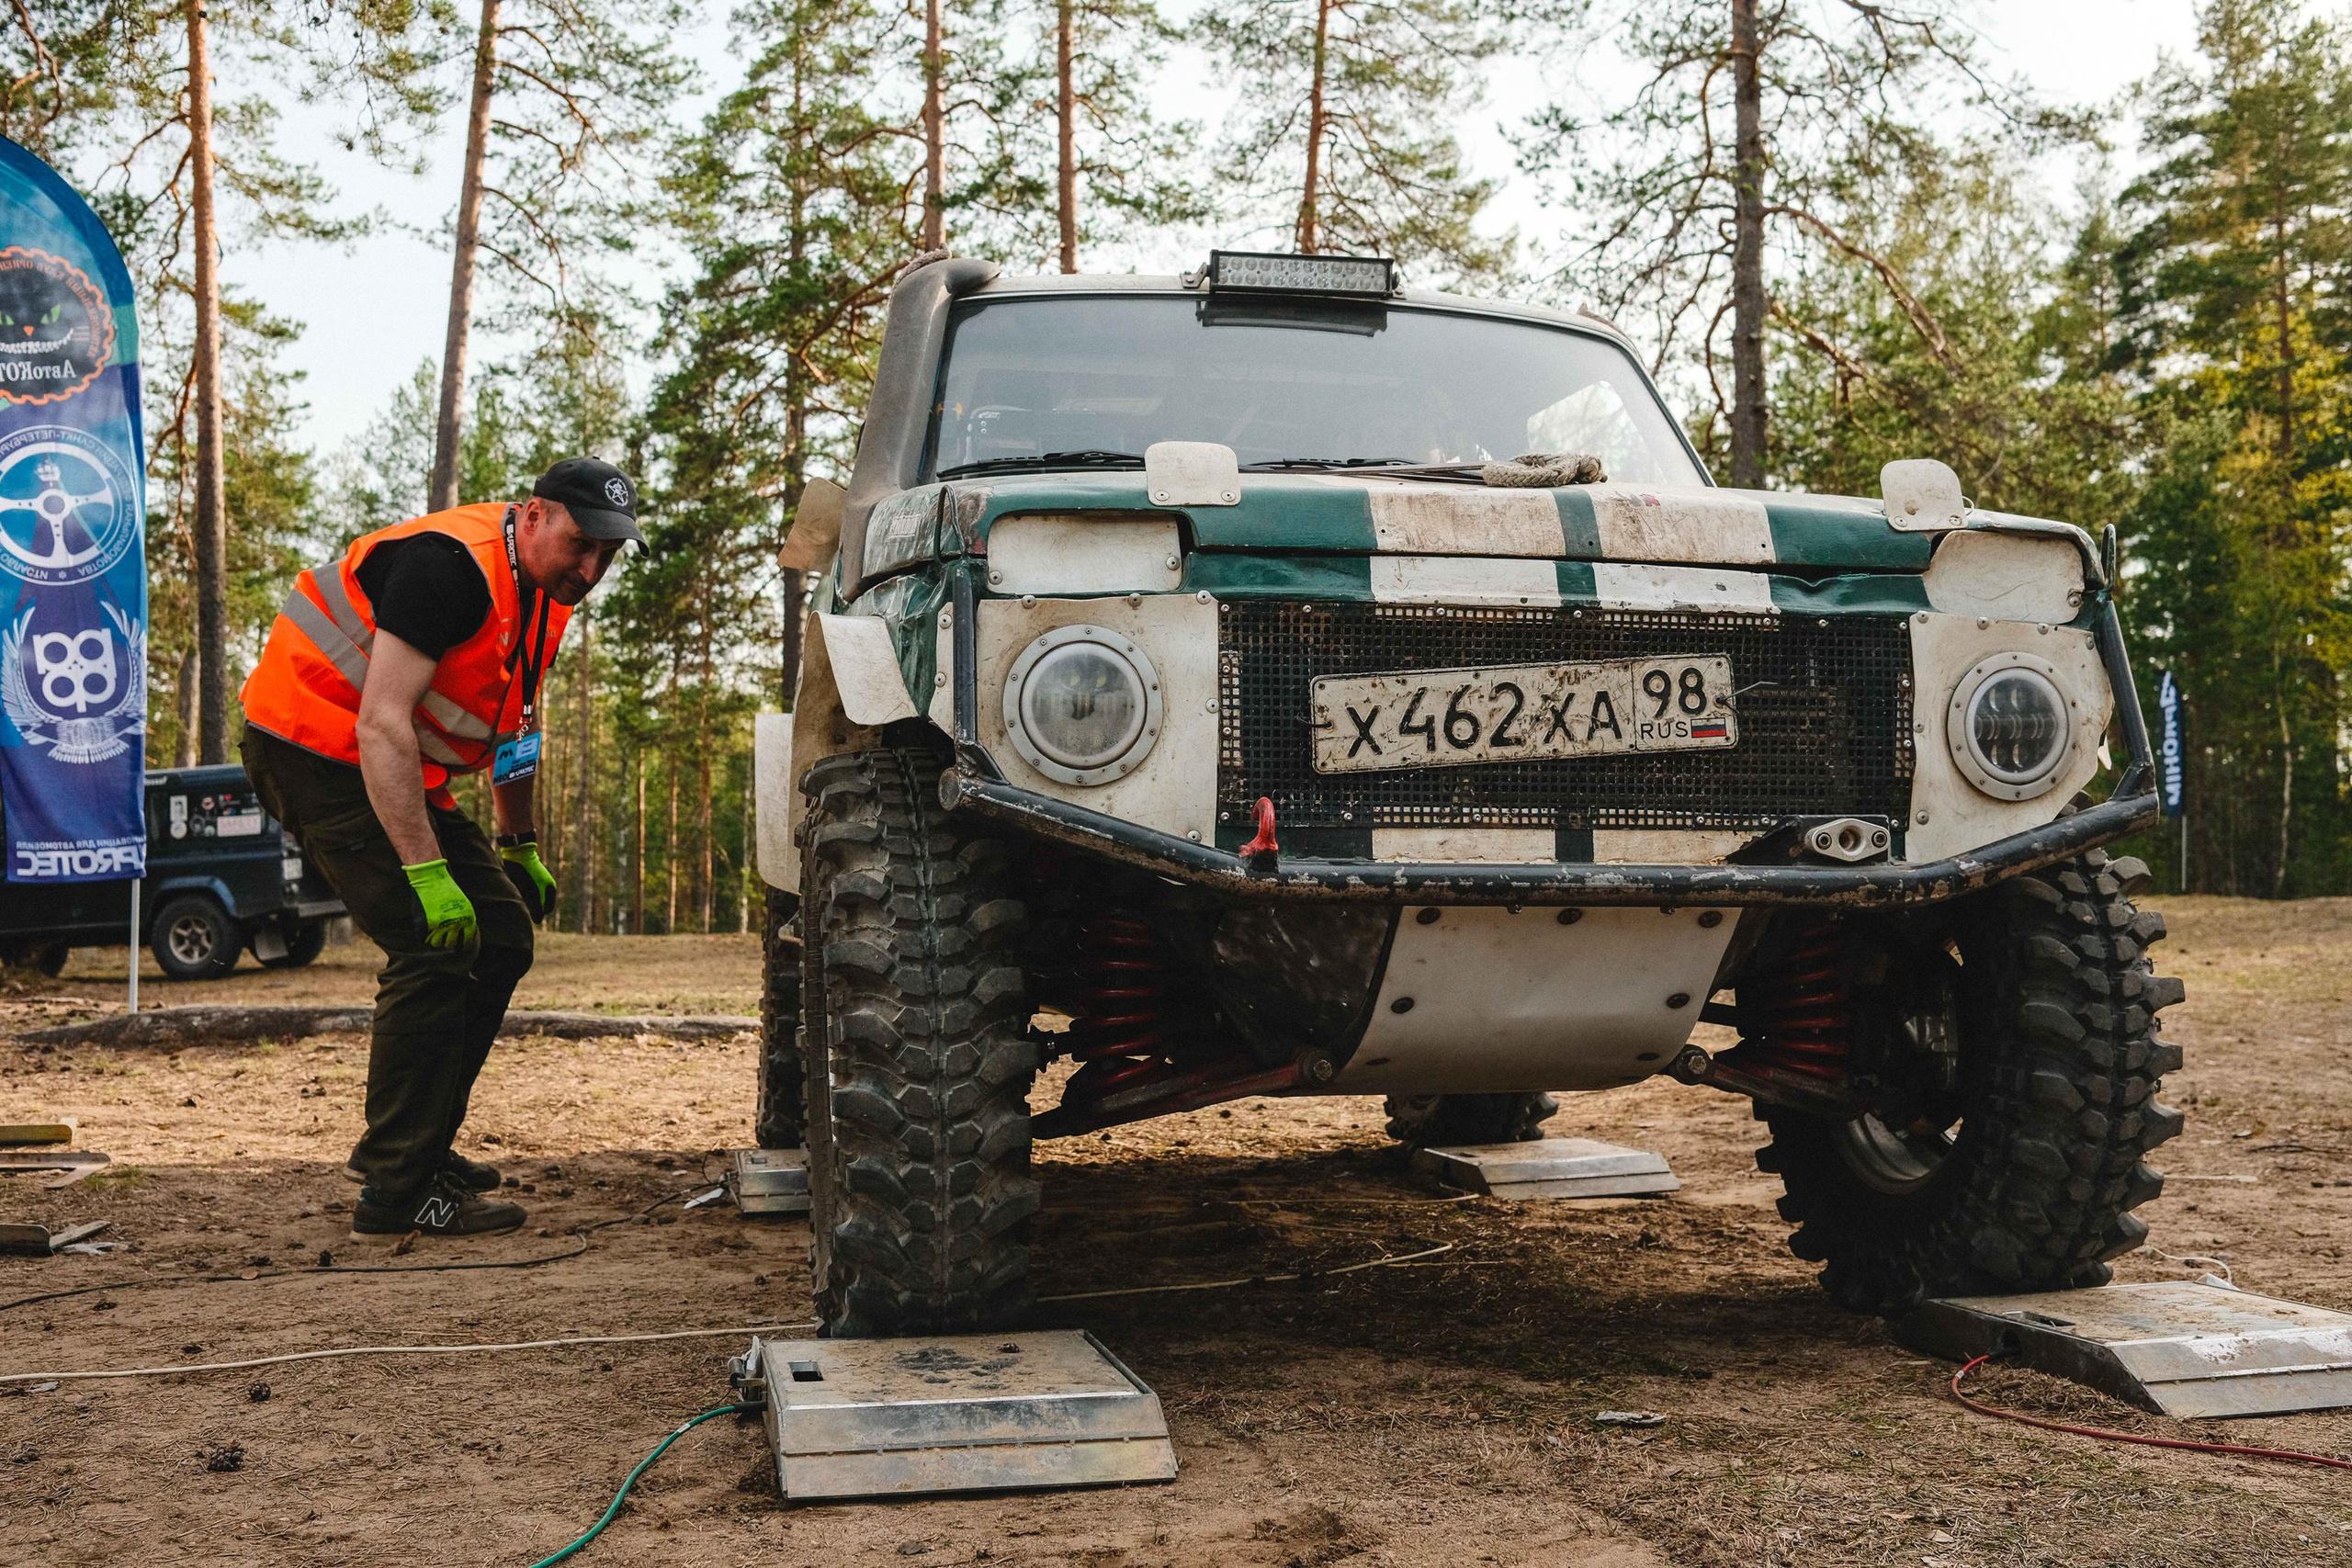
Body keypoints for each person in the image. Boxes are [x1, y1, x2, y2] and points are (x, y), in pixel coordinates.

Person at [238, 458, 640, 1241]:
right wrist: (427, 872)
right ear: (533, 515)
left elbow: (517, 727)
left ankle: (417, 1146)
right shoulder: (446, 569)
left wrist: (517, 843)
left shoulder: (541, 598)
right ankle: (397, 1190)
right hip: (309, 746)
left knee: (503, 936)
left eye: (609, 555)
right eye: (581, 544)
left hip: (386, 764)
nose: (591, 569)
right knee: (432, 940)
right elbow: (381, 720)